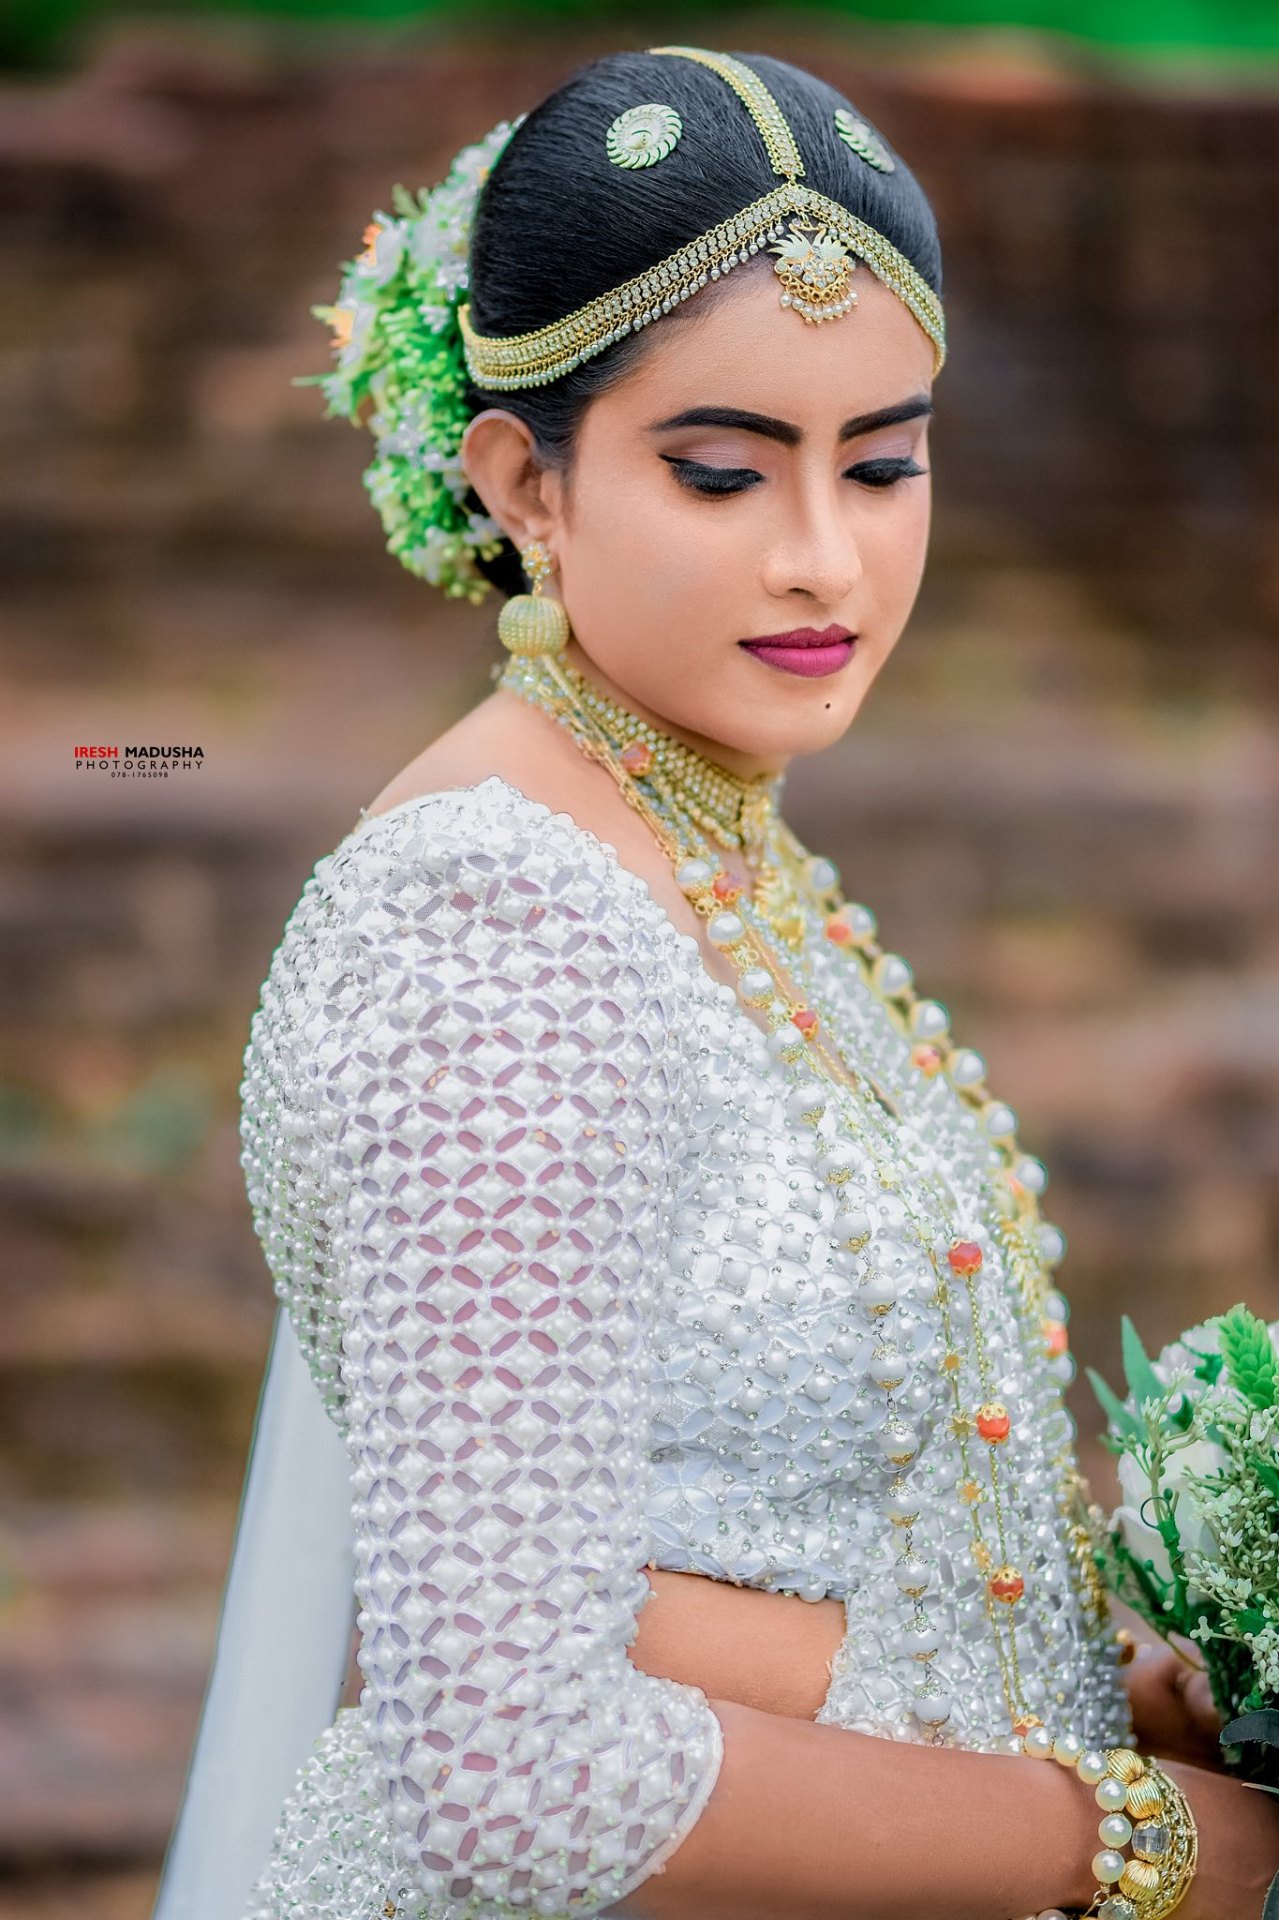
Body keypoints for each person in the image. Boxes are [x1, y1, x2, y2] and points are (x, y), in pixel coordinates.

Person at [148, 45, 1279, 1920]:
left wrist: (1121, 1670)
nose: (824, 556)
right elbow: (505, 1772)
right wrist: (1141, 1843)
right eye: (722, 471)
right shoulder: (497, 929)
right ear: (525, 479)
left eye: (886, 462)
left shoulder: (707, 841)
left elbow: (771, 1549)